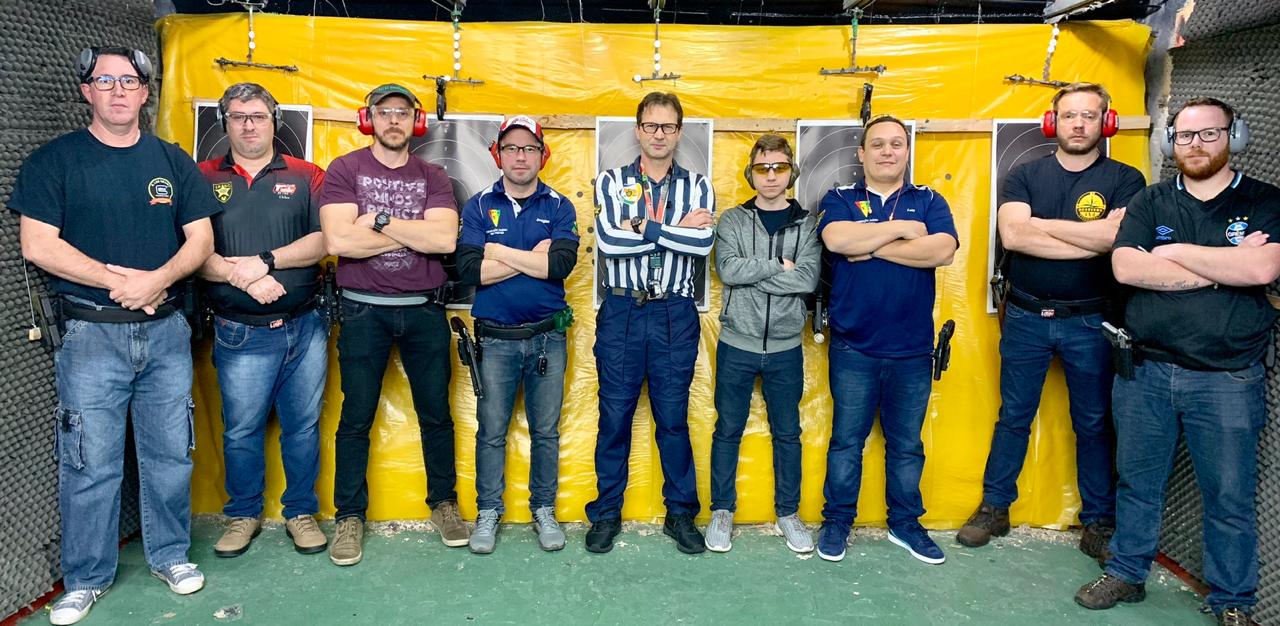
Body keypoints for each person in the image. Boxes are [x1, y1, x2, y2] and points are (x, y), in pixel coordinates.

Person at [11, 46, 219, 625]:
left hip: (166, 332)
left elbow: (201, 240)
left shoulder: (172, 160)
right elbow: (38, 244)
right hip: (90, 336)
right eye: (105, 81)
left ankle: (171, 556)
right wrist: (119, 283)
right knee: (89, 463)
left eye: (129, 81)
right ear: (87, 91)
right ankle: (85, 578)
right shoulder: (54, 161)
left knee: (170, 456)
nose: (119, 90)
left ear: (145, 92)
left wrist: (158, 280)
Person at [1074, 98, 1279, 626]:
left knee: (1229, 496)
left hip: (1228, 378)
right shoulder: (1152, 200)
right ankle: (1127, 571)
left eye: (1209, 133)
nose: (1196, 145)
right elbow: (1126, 267)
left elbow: (1261, 269)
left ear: (1234, 136)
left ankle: (1232, 599)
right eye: (1185, 136)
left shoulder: (1264, 201)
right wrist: (1222, 268)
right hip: (1146, 371)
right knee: (1137, 484)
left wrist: (1170, 254)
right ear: (1171, 142)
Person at [959, 82, 1146, 559]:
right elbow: (1015, 237)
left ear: (1106, 122)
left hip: (1093, 321)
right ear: (1052, 122)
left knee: (1094, 422)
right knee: (1013, 416)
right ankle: (995, 507)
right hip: (1026, 317)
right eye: (1069, 115)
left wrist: (1042, 225)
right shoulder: (1024, 175)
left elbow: (1115, 240)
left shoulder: (1127, 179)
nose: (1078, 124)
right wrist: (1089, 235)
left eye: (1089, 115)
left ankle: (1099, 520)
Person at [319, 83, 467, 566]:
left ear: (415, 121)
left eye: (402, 112)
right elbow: (339, 241)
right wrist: (412, 234)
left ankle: (443, 504)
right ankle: (349, 517)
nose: (394, 120)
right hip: (363, 311)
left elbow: (445, 241)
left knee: (436, 414)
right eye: (384, 112)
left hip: (424, 310)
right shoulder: (345, 169)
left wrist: (378, 220)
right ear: (369, 120)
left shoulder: (433, 176)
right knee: (356, 417)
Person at [815, 115, 958, 565]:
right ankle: (838, 520)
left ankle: (905, 523)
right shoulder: (839, 198)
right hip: (853, 346)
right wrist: (901, 232)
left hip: (912, 350)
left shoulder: (928, 199)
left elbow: (942, 250)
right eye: (877, 144)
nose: (887, 152)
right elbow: (837, 240)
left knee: (907, 446)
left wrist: (871, 246)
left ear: (907, 151)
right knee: (846, 442)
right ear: (862, 153)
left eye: (896, 143)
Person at [196, 83, 329, 559]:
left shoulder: (307, 175)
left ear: (274, 122)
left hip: (304, 325)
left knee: (303, 428)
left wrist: (265, 261)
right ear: (224, 123)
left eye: (258, 116)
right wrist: (243, 278)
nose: (248, 125)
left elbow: (324, 241)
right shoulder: (201, 177)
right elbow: (192, 250)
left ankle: (301, 512)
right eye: (238, 116)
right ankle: (242, 515)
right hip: (238, 330)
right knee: (241, 431)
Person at [585, 92, 715, 554]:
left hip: (674, 313)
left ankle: (680, 514)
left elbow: (702, 247)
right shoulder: (611, 181)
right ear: (638, 129)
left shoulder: (699, 186)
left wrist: (642, 227)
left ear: (679, 132)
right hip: (622, 310)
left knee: (673, 420)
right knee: (614, 418)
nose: (660, 134)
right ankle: (606, 513)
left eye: (669, 126)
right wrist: (677, 229)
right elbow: (609, 243)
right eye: (652, 126)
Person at [455, 115, 579, 554]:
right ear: (498, 155)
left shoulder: (559, 206)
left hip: (548, 339)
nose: (520, 156)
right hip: (494, 342)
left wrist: (499, 252)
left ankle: (543, 509)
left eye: (529, 148)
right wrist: (530, 257)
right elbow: (470, 271)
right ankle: (488, 511)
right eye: (511, 148)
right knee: (490, 431)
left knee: (546, 431)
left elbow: (559, 265)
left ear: (542, 155)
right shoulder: (478, 205)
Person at [704, 134, 819, 554]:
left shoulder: (808, 224)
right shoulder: (733, 220)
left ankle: (788, 513)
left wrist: (758, 274)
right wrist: (777, 266)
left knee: (787, 433)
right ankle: (722, 511)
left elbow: (807, 278)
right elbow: (728, 270)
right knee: (727, 430)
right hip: (737, 344)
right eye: (762, 168)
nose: (771, 176)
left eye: (779, 167)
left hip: (786, 348)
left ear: (792, 172)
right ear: (750, 174)